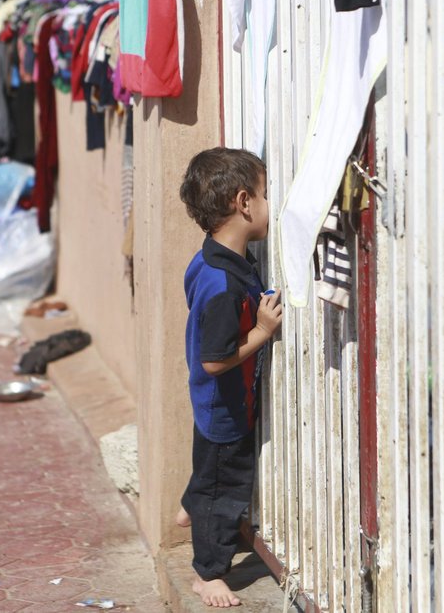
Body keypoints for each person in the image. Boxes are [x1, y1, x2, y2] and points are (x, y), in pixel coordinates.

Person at [175, 147, 283, 608]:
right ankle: (209, 570)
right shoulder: (223, 284)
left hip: (210, 403)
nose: (268, 202)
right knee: (225, 487)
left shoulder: (211, 261)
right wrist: (262, 331)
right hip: (224, 404)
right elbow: (215, 361)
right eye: (264, 193)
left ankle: (191, 505)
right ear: (244, 202)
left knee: (210, 471)